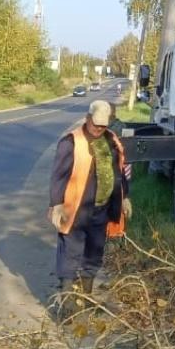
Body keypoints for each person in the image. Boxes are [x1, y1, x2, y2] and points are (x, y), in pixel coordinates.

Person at [48, 99, 130, 314]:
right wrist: (57, 205)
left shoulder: (111, 140)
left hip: (101, 209)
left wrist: (125, 197)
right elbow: (58, 176)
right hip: (75, 210)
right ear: (87, 118)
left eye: (103, 126)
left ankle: (86, 297)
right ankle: (66, 306)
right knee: (71, 253)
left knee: (94, 252)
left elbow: (119, 172)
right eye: (96, 124)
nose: (99, 129)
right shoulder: (71, 142)